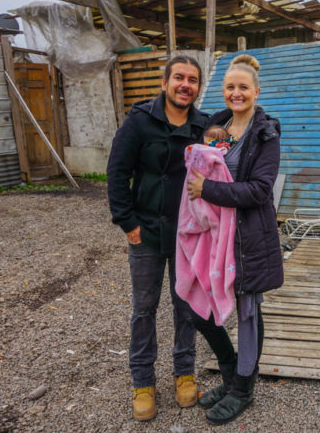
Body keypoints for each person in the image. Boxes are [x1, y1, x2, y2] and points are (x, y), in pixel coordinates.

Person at [107, 55, 220, 421]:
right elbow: (117, 172)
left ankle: (184, 374)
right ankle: (143, 382)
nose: (185, 85)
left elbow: (222, 160)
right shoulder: (140, 121)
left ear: (198, 87)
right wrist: (128, 223)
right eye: (179, 78)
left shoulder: (204, 124)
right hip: (147, 233)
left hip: (187, 235)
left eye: (192, 80)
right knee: (144, 308)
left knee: (185, 305)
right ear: (165, 82)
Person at [186, 53, 283, 425]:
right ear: (223, 91)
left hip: (248, 239)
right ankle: (230, 375)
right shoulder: (215, 126)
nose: (236, 93)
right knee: (198, 308)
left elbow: (259, 190)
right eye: (230, 87)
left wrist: (206, 189)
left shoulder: (265, 135)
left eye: (243, 87)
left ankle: (243, 388)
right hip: (213, 237)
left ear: (256, 91)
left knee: (246, 312)